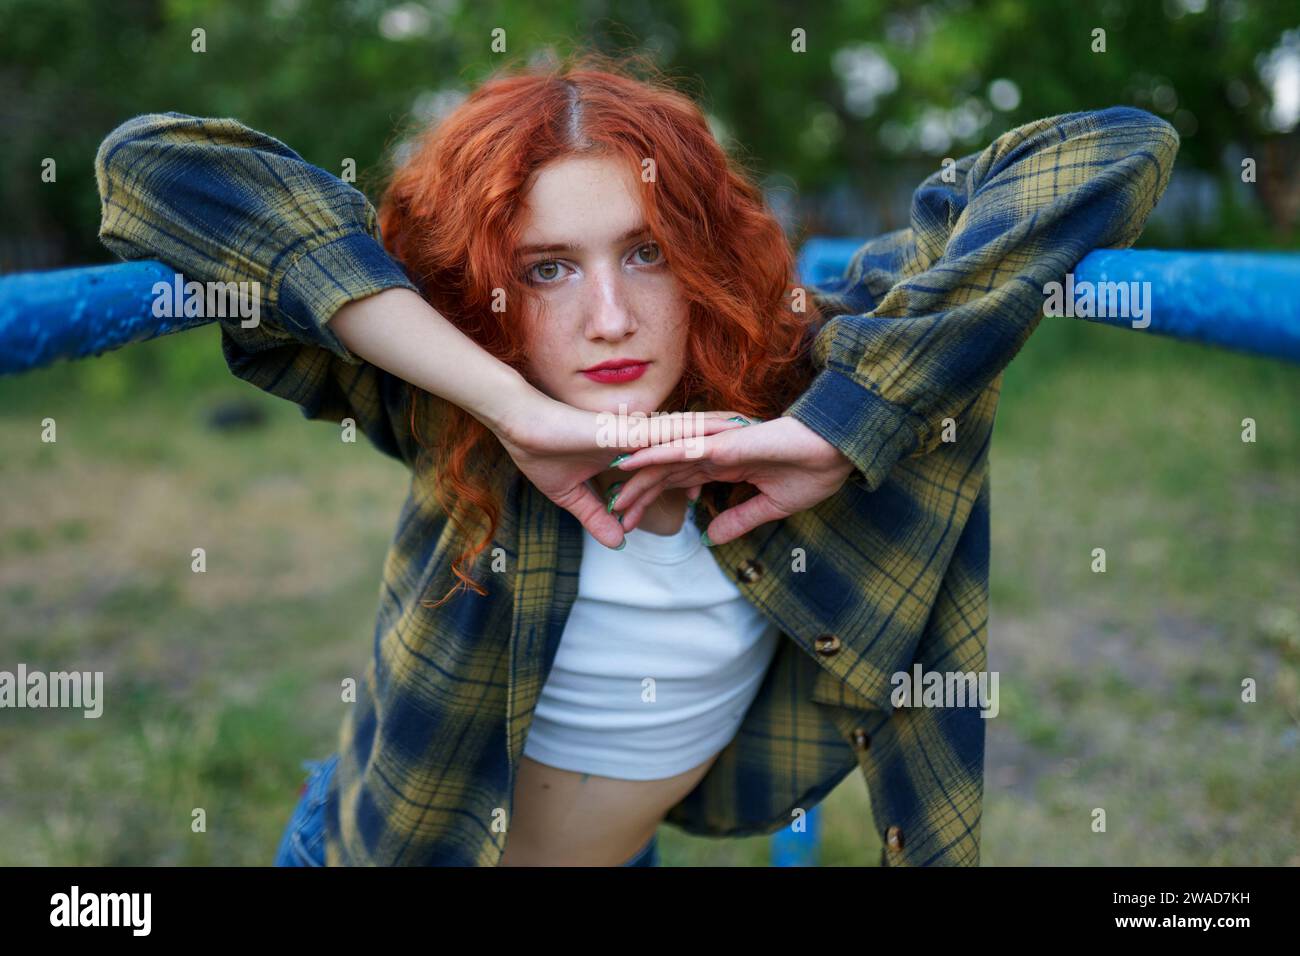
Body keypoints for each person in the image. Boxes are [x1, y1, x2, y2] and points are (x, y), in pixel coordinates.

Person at [93, 50, 1179, 866]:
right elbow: (153, 166)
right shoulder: (449, 404)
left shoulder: (800, 374)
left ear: (703, 253)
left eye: (646, 252)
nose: (610, 317)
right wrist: (502, 399)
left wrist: (838, 430)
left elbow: (1115, 148)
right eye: (549, 269)